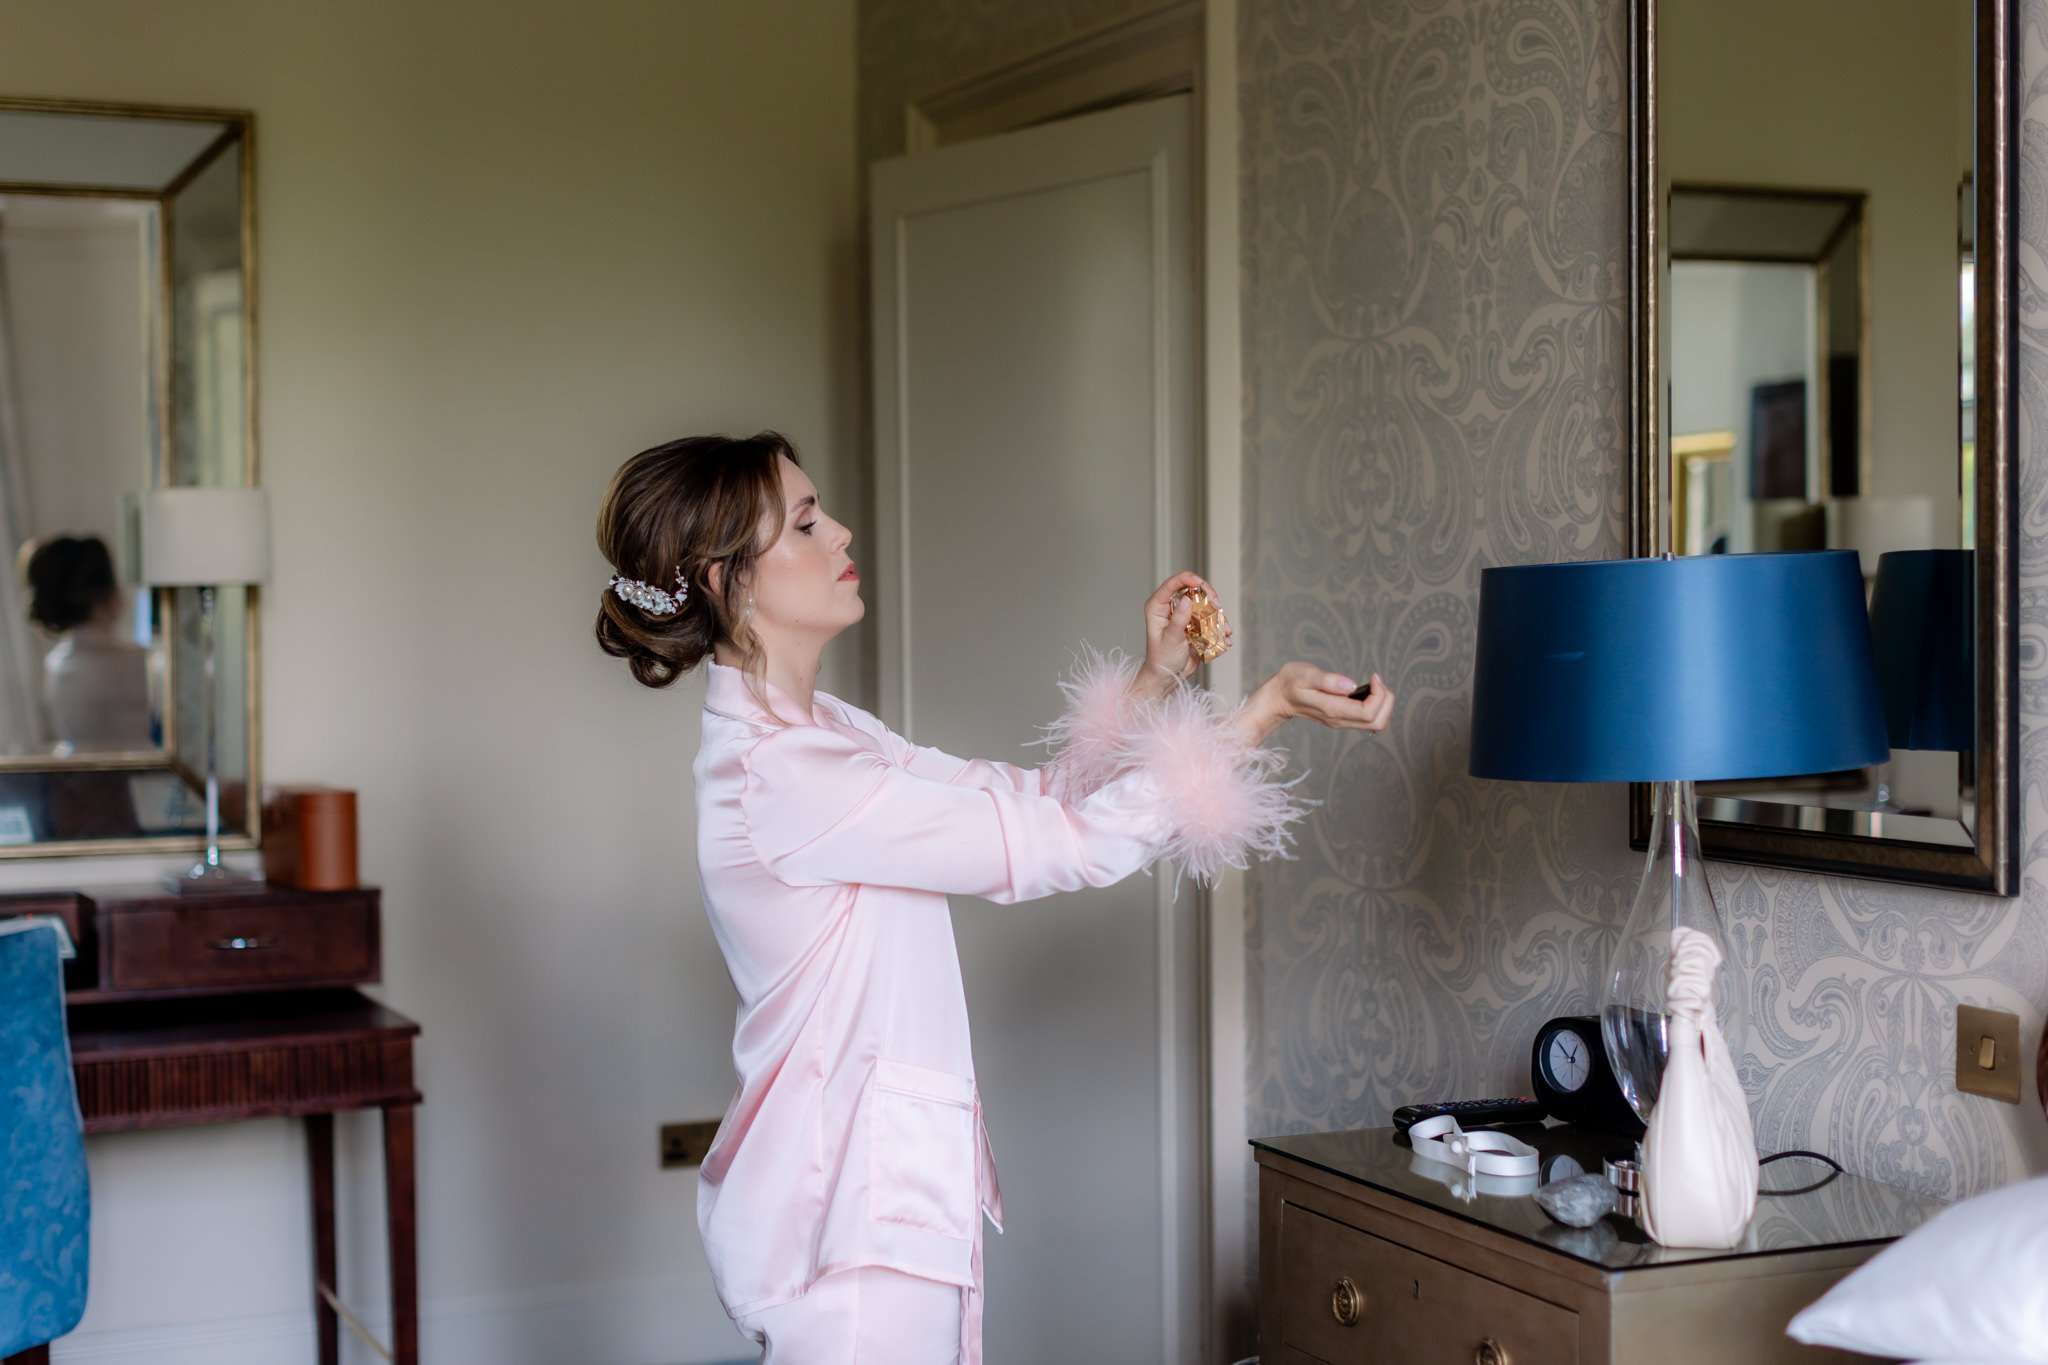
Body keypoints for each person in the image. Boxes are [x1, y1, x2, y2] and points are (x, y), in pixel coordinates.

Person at [593, 432, 1394, 1363]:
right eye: (807, 522)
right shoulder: (782, 773)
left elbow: (1030, 803)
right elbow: (1062, 846)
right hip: (849, 1230)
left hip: (879, 1207)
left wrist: (1158, 679)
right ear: (727, 578)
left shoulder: (824, 735)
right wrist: (1262, 713)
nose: (841, 528)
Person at [21, 534, 153, 755]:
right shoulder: (140, 662)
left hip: (76, 783)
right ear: (106, 594)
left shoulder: (56, 665)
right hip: (137, 783)